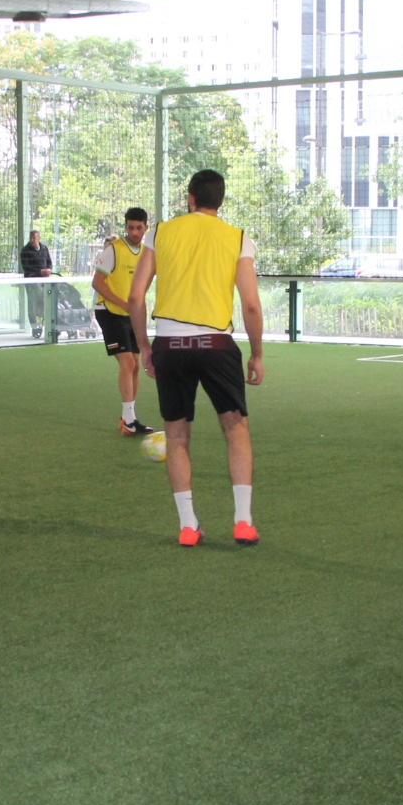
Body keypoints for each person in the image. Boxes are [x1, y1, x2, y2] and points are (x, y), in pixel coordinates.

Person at [128, 170, 265, 548]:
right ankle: (243, 522)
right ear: (220, 200)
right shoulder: (238, 237)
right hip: (217, 344)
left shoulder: (160, 232)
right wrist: (256, 353)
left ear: (190, 198)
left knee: (176, 435)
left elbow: (136, 298)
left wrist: (145, 347)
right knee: (235, 429)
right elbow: (251, 305)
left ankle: (188, 527)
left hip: (169, 345)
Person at [90, 207, 155, 436]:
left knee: (136, 364)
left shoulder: (147, 253)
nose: (134, 232)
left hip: (131, 314)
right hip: (108, 311)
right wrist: (124, 304)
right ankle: (128, 421)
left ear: (146, 227)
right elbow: (97, 283)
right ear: (125, 227)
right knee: (127, 362)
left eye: (139, 228)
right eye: (130, 227)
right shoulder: (113, 250)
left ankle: (130, 419)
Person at [19, 229, 53, 338]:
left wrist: (48, 270)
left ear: (39, 238)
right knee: (32, 303)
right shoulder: (25, 250)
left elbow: (49, 262)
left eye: (35, 238)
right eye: (32, 238)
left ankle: (47, 322)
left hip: (44, 281)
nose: (33, 240)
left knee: (46, 301)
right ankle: (34, 326)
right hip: (32, 281)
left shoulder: (44, 248)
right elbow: (26, 267)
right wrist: (39, 271)